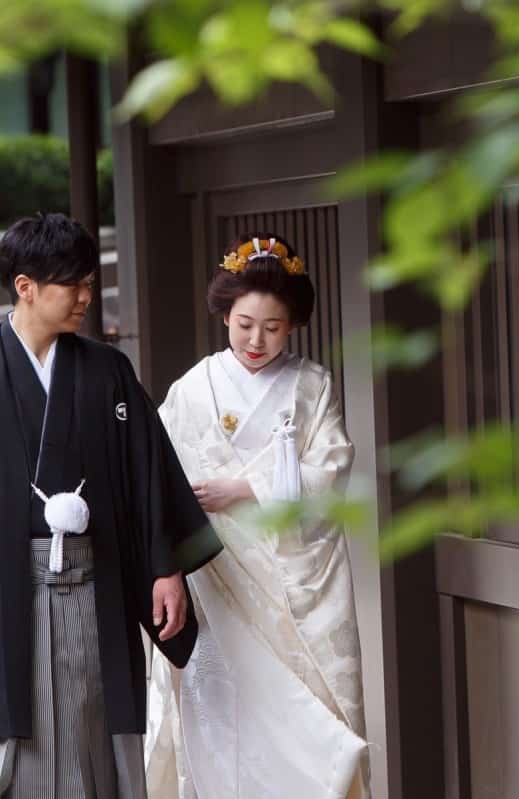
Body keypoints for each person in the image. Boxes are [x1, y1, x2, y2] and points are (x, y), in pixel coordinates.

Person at [0, 213, 221, 799]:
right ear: (25, 286)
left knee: (99, 733)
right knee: (15, 735)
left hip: (99, 583)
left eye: (91, 282)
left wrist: (166, 566)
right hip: (2, 587)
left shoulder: (108, 373)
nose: (88, 296)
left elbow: (149, 473)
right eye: (74, 284)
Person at [145, 235, 368, 798]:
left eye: (272, 326)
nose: (256, 340)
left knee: (309, 722)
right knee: (224, 718)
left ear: (292, 325)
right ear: (225, 314)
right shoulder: (193, 389)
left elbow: (332, 469)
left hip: (294, 578)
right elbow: (155, 473)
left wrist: (243, 487)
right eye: (244, 323)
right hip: (217, 580)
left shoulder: (311, 386)